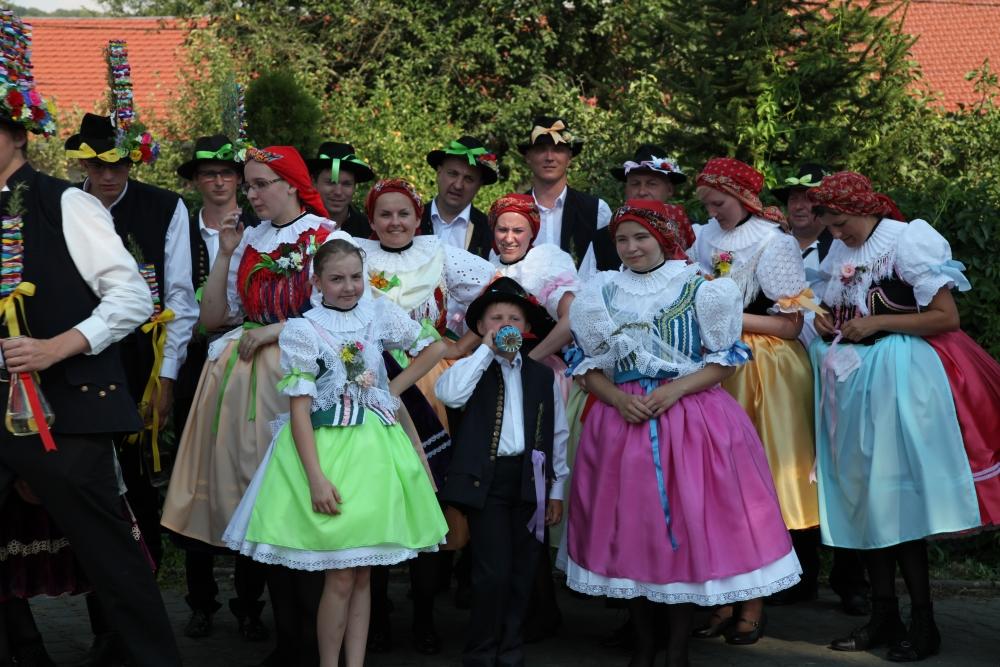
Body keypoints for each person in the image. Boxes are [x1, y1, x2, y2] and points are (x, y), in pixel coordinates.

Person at [0, 13, 182, 663]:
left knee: (112, 557)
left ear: (14, 135)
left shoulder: (66, 203)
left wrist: (57, 346)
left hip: (68, 408)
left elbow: (132, 297)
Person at [562, 200, 800, 667]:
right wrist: (617, 399)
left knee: (686, 529)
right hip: (623, 420)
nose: (631, 248)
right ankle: (643, 644)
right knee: (629, 530)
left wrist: (673, 391)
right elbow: (586, 367)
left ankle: (676, 649)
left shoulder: (701, 289)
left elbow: (724, 362)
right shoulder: (600, 292)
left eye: (641, 237)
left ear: (664, 238)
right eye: (622, 240)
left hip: (690, 419)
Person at [224, 238, 448, 667]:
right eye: (337, 279)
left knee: (362, 574)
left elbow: (434, 346)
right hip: (328, 453)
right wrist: (315, 478)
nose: (349, 287)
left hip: (375, 452)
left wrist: (391, 390)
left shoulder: (377, 312)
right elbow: (299, 411)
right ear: (317, 283)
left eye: (356, 277)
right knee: (341, 575)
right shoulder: (304, 330)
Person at [162, 145, 343, 666]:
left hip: (303, 379)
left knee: (302, 506)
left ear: (291, 185)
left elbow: (348, 313)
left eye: (262, 183)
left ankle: (314, 645)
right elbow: (212, 318)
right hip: (249, 386)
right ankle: (288, 642)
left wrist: (275, 329)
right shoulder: (250, 240)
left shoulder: (328, 237)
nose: (252, 193)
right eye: (250, 184)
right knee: (267, 512)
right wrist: (225, 254)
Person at [807, 172, 1000, 662]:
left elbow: (946, 317)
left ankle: (924, 621)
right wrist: (824, 319)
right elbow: (834, 304)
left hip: (901, 376)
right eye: (830, 226)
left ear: (864, 209)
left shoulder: (907, 239)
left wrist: (878, 321)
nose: (837, 234)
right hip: (854, 383)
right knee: (867, 497)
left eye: (842, 222)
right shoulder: (841, 249)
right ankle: (884, 615)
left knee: (899, 501)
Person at [64, 111, 199, 663]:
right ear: (82, 165)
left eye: (118, 165)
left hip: (143, 362)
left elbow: (181, 297)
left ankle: (139, 624)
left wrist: (166, 378)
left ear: (132, 163)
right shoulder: (63, 205)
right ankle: (103, 624)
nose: (108, 176)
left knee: (139, 495)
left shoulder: (165, 207)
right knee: (89, 492)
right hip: (78, 362)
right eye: (97, 166)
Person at [357, 178, 496, 653]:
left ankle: (423, 615)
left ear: (419, 217)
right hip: (372, 381)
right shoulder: (355, 253)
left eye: (404, 213)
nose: (395, 222)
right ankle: (375, 614)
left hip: (428, 382)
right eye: (385, 214)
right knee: (374, 494)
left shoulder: (440, 252)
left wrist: (461, 346)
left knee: (430, 496)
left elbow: (498, 290)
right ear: (372, 220)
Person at [690, 157, 819, 644]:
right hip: (711, 362)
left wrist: (725, 315)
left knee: (757, 489)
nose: (713, 213)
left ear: (743, 198)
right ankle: (723, 599)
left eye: (719, 203)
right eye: (707, 204)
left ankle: (754, 601)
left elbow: (791, 323)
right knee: (716, 488)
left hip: (761, 368)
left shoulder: (774, 241)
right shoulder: (705, 236)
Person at [436, 277, 570, 667]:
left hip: (530, 481)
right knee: (492, 572)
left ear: (526, 328)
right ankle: (481, 651)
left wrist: (556, 490)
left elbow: (557, 433)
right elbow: (449, 394)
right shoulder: (472, 368)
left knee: (522, 572)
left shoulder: (541, 374)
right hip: (488, 482)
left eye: (514, 318)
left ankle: (511, 650)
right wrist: (485, 350)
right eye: (496, 318)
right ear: (481, 326)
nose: (505, 325)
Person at [172, 133, 269, 640]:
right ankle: (201, 601)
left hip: (249, 359)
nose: (217, 181)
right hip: (194, 361)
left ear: (238, 180)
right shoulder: (181, 228)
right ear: (195, 181)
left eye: (226, 173)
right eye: (207, 174)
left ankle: (250, 602)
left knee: (251, 471)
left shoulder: (261, 229)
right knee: (198, 478)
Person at [769, 162, 870, 617]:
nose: (800, 205)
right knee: (794, 470)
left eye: (810, 198)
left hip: (839, 367)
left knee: (844, 468)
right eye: (793, 197)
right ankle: (801, 573)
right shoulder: (771, 244)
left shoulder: (844, 245)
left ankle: (851, 579)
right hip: (785, 371)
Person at [488, 194, 578, 361]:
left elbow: (574, 316)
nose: (509, 238)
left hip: (541, 364)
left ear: (532, 232)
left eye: (518, 231)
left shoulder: (544, 262)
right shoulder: (489, 266)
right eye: (502, 230)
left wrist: (529, 360)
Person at [581, 144, 687, 280]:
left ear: (670, 190)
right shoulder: (602, 239)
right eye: (635, 184)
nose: (642, 192)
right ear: (626, 189)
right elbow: (585, 286)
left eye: (652, 184)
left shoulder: (690, 232)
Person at [518, 116, 611, 267]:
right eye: (541, 150)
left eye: (558, 150)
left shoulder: (596, 210)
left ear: (569, 158)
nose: (549, 157)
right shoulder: (513, 209)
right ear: (528, 157)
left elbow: (609, 267)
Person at [418, 136, 499, 259]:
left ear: (479, 185)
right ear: (439, 173)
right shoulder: (412, 219)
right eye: (453, 174)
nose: (458, 185)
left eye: (469, 179)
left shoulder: (490, 231)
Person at [306, 142, 375, 237]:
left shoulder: (370, 230)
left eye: (346, 184)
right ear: (314, 183)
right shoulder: (297, 227)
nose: (338, 192)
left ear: (354, 186)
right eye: (330, 183)